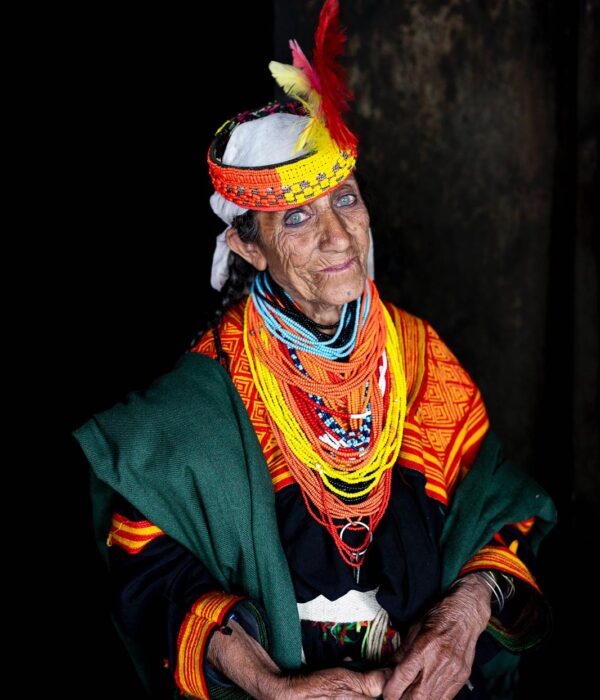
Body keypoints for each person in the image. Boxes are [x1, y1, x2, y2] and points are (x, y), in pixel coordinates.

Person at [73, 2, 557, 698]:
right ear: (246, 244)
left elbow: (502, 513)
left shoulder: (420, 359)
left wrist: (463, 617)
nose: (337, 236)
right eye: (297, 217)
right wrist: (271, 685)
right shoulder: (209, 391)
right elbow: (146, 563)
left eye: (347, 200)